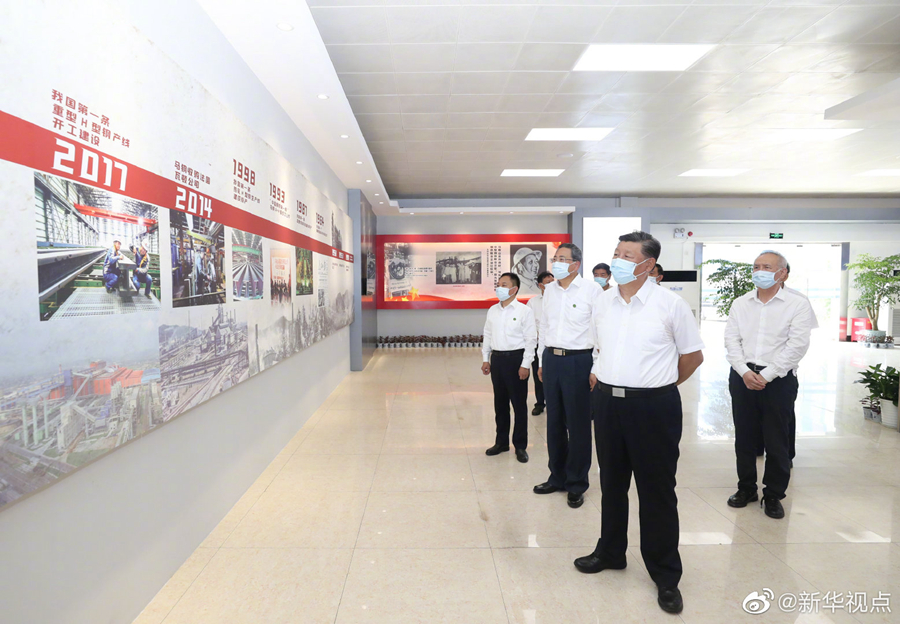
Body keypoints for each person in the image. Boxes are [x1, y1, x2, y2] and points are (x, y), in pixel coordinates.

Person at [576, 231, 704, 616]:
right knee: (612, 483)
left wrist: (659, 386)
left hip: (653, 407)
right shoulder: (603, 302)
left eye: (628, 256)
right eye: (617, 253)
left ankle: (665, 573)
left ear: (648, 265)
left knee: (656, 490)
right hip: (607, 403)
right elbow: (599, 346)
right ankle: (611, 551)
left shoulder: (670, 304)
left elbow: (692, 356)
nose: (618, 260)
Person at [725, 251, 816, 520]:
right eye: (756, 267)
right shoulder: (741, 303)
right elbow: (731, 340)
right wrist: (744, 371)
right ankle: (746, 488)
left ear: (782, 273)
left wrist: (767, 375)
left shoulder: (797, 304)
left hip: (779, 380)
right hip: (742, 376)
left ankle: (774, 494)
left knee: (777, 439)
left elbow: (797, 345)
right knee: (744, 436)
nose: (759, 271)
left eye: (766, 267)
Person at [534, 243, 601, 509]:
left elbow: (600, 331)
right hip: (551, 359)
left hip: (579, 360)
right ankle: (557, 477)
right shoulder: (549, 290)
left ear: (576, 264)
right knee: (554, 422)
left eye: (562, 259)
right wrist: (542, 360)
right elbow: (544, 326)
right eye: (555, 258)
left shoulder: (592, 291)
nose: (556, 262)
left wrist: (595, 367)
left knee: (578, 424)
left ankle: (576, 483)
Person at [482, 273, 536, 463]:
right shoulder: (493, 310)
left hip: (516, 360)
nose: (499, 288)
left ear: (514, 289)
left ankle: (520, 445)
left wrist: (525, 365)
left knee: (519, 405)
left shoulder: (524, 311)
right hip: (497, 360)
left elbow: (531, 340)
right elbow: (487, 335)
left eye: (504, 285)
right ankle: (501, 442)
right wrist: (486, 358)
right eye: (498, 284)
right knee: (500, 404)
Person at [527, 271, 555, 415]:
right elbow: (529, 324)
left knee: (554, 377)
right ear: (540, 285)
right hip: (539, 344)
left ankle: (554, 404)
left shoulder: (559, 299)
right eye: (548, 282)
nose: (552, 284)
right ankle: (539, 403)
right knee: (539, 375)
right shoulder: (533, 302)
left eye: (553, 281)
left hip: (554, 345)